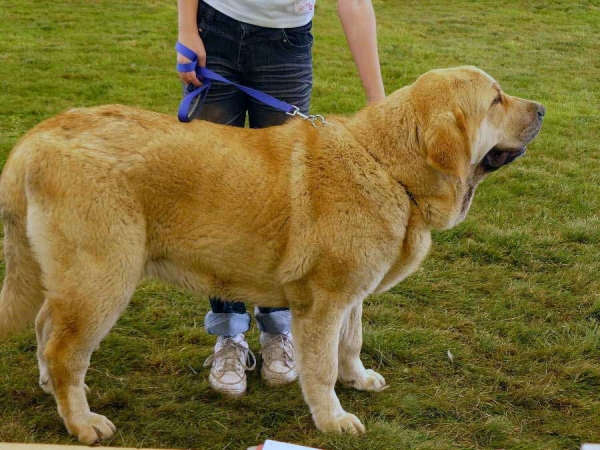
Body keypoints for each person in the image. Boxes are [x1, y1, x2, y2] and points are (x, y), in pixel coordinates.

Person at [176, 0, 385, 397]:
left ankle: (276, 331)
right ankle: (229, 336)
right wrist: (188, 29)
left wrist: (378, 101)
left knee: (284, 199)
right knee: (220, 197)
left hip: (285, 45)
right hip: (214, 31)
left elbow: (354, 3)